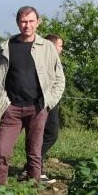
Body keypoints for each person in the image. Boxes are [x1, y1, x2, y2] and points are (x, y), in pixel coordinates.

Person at [0, 6, 65, 189]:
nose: (27, 25)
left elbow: (59, 79)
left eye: (31, 21)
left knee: (34, 154)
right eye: (23, 21)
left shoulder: (47, 47)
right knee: (2, 153)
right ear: (18, 23)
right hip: (12, 109)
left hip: (37, 108)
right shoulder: (6, 47)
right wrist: (1, 102)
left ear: (38, 22)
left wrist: (48, 103)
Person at [24, 34, 63, 183]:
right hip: (45, 102)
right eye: (60, 46)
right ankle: (33, 167)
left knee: (43, 135)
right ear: (52, 46)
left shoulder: (52, 60)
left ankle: (34, 166)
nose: (62, 49)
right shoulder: (46, 60)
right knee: (50, 134)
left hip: (50, 101)